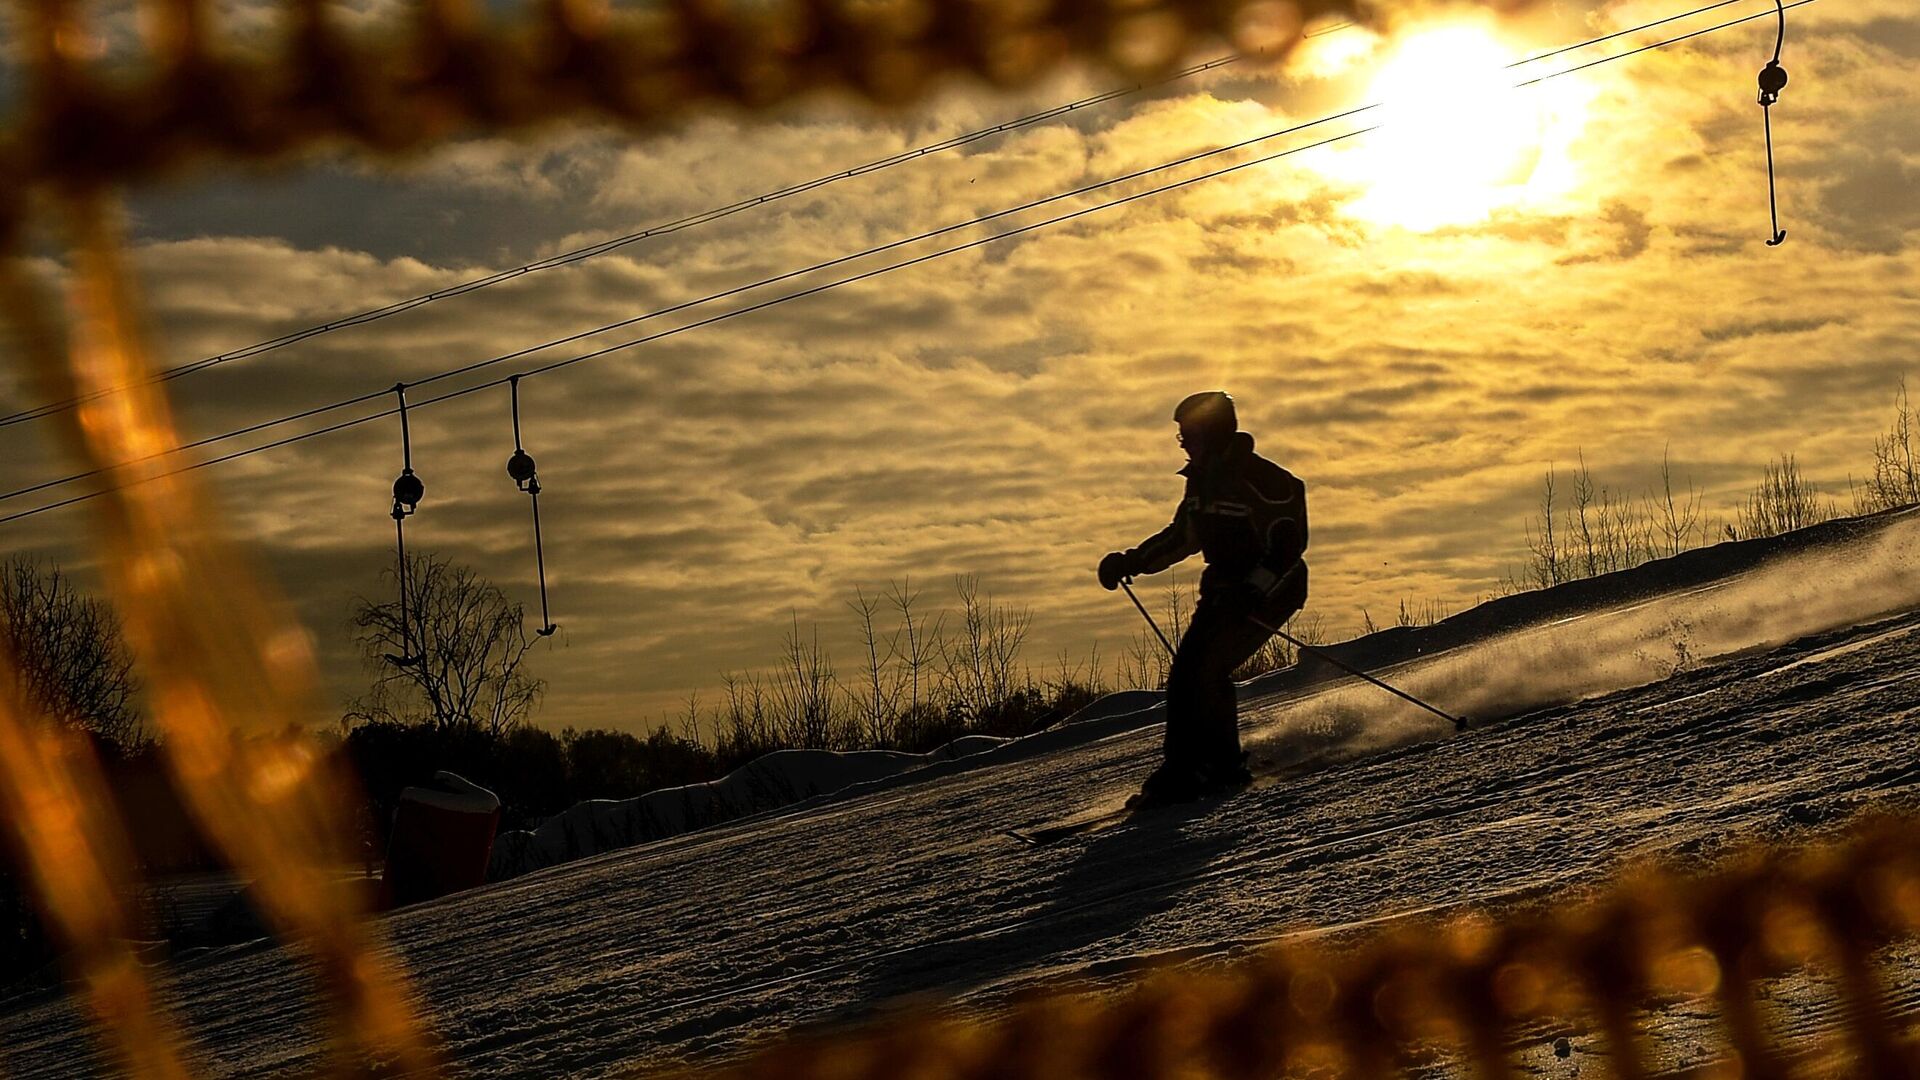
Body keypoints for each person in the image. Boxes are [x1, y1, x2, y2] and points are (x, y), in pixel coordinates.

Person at [1099, 391, 1309, 806]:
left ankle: (1209, 767)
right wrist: (1130, 562)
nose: (1182, 444)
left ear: (1210, 434)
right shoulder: (1203, 483)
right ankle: (1197, 765)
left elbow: (1288, 544)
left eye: (1187, 436)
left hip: (1269, 591)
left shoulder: (1263, 480)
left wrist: (1254, 589)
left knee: (1204, 669)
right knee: (1186, 673)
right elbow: (1182, 537)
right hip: (1223, 591)